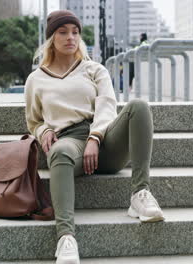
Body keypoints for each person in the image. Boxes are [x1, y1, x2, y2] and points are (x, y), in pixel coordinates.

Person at [24, 10, 164, 264]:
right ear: (51, 39)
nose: (71, 37)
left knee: (139, 106)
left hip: (104, 140)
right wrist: (43, 130)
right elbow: (33, 120)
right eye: (63, 32)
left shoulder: (94, 69)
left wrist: (95, 137)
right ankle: (66, 237)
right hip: (68, 143)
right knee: (60, 152)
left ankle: (140, 195)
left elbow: (107, 105)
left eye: (75, 32)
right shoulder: (36, 79)